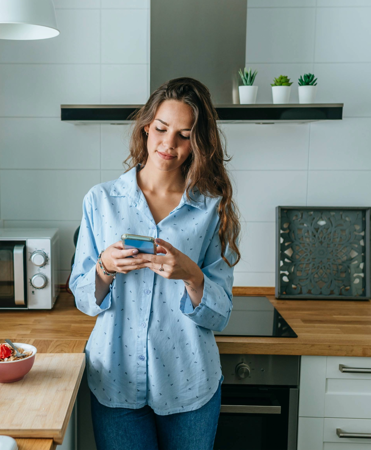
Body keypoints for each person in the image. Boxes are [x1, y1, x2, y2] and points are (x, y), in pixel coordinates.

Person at [69, 77, 241, 450]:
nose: (169, 144)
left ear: (198, 142)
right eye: (161, 129)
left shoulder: (212, 208)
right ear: (147, 126)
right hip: (116, 377)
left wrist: (192, 276)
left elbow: (221, 315)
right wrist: (104, 268)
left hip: (189, 381)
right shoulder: (101, 201)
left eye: (184, 134)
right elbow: (83, 299)